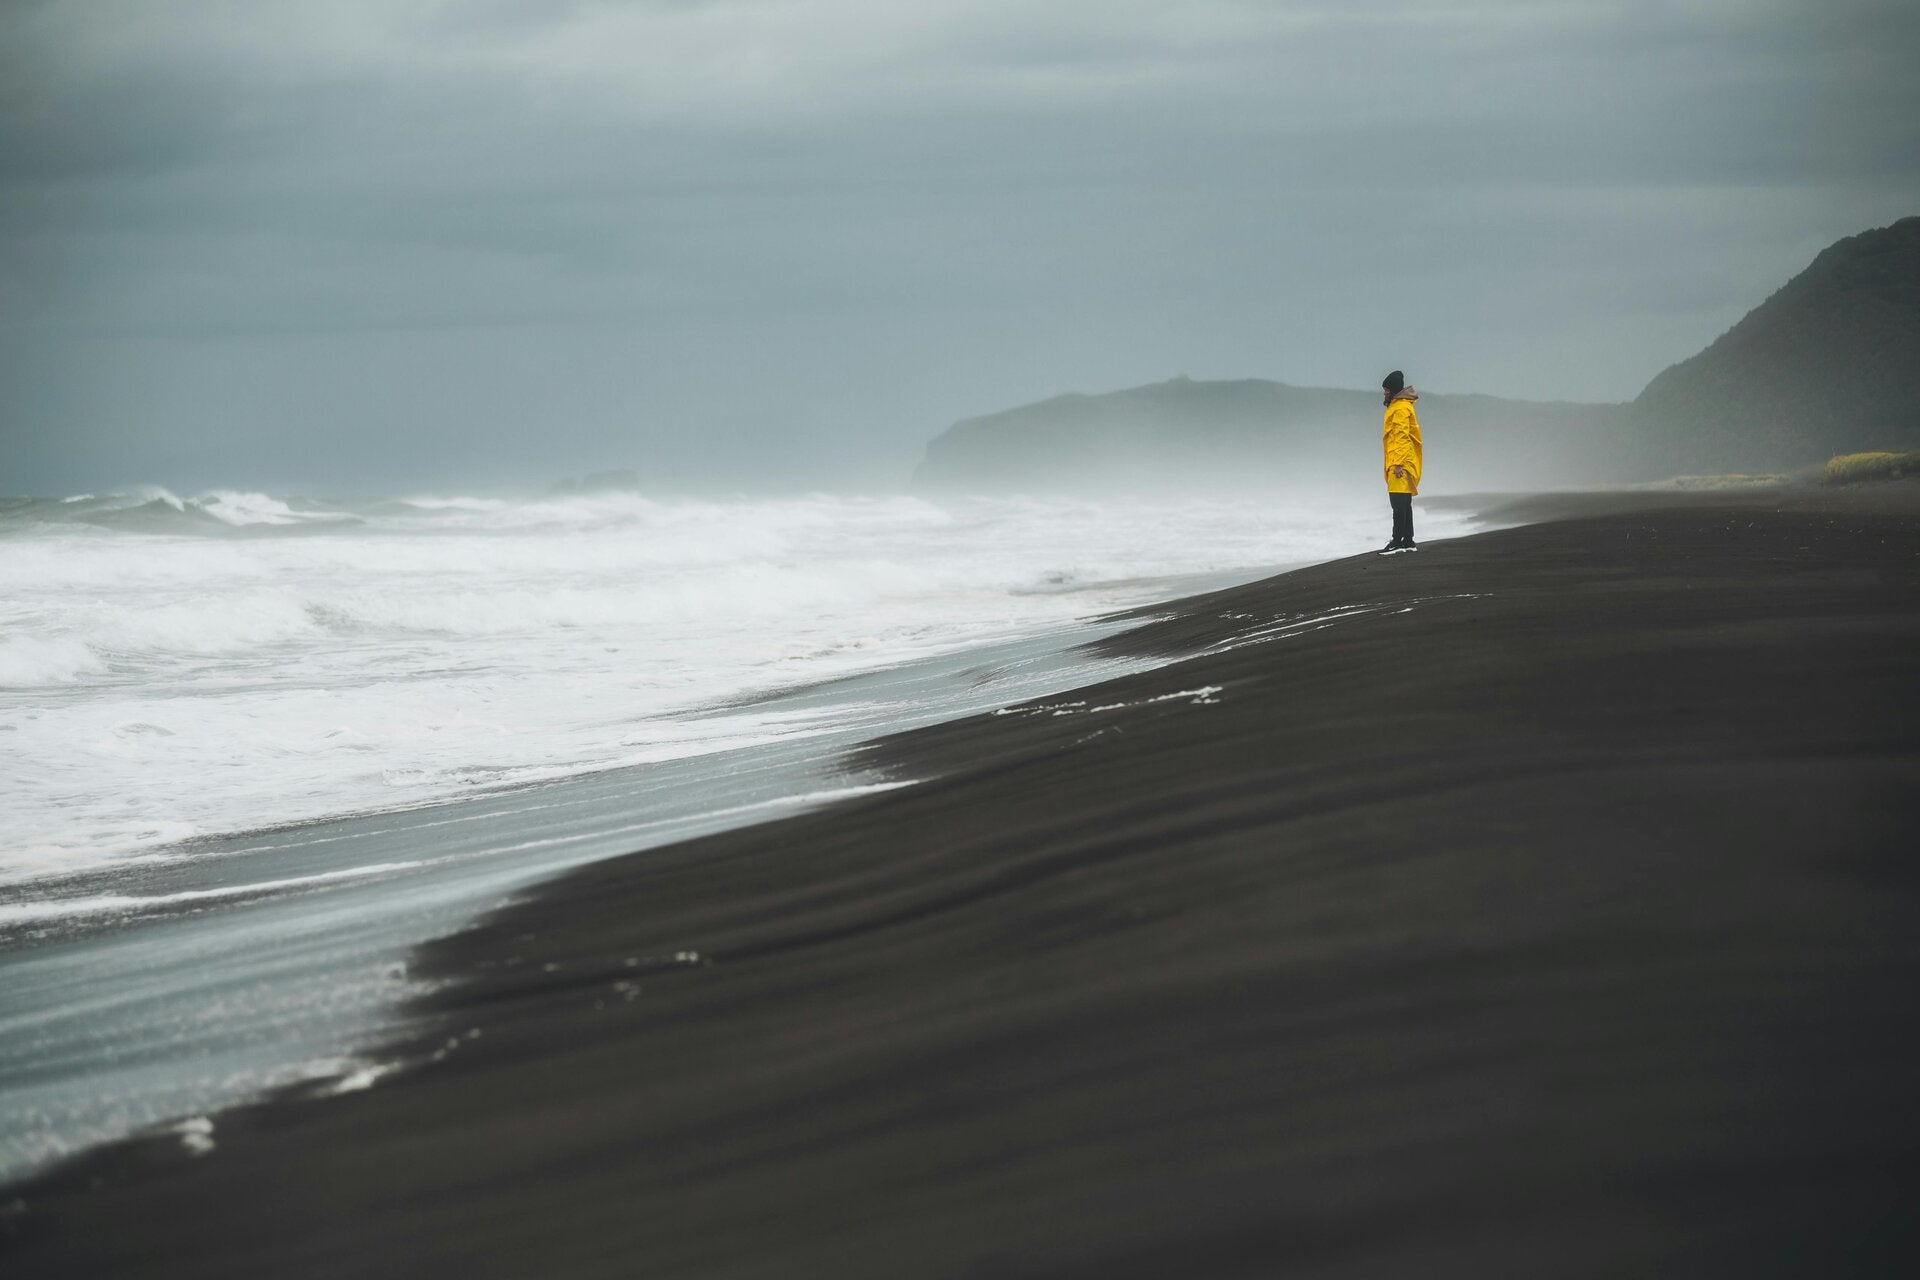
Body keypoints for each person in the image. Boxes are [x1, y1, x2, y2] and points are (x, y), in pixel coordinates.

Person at [1380, 369, 1422, 553]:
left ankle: (1397, 542)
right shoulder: (1401, 406)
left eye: (1386, 390)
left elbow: (1401, 436)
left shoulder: (1400, 408)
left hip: (1400, 462)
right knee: (1404, 503)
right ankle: (1408, 541)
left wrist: (1397, 463)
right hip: (1403, 460)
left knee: (1398, 503)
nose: (1384, 393)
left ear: (1393, 390)